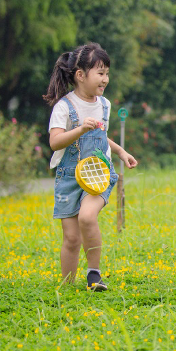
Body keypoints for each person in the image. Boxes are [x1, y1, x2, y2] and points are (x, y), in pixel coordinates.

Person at [44, 42, 138, 291]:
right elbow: (54, 143)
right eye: (100, 72)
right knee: (72, 238)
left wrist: (120, 151)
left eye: (107, 72)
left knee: (87, 216)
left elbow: (100, 137)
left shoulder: (104, 105)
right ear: (80, 75)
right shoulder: (64, 107)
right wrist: (80, 128)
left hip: (98, 174)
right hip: (68, 177)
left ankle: (93, 275)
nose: (105, 78)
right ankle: (67, 286)